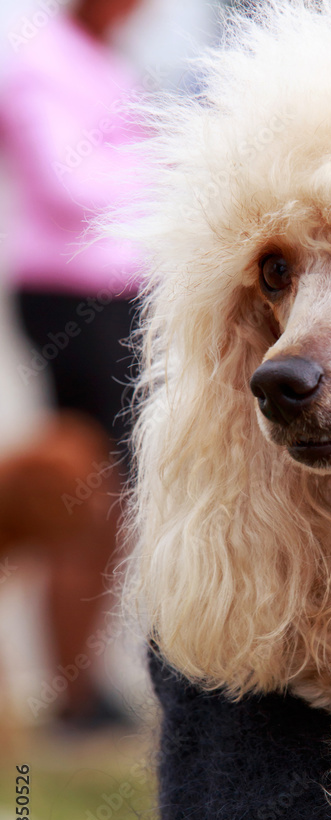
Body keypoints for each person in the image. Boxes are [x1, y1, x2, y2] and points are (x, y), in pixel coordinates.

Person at [0, 0, 146, 726]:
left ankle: (83, 686)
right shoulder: (40, 61)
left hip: (114, 297)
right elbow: (69, 184)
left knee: (106, 498)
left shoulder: (100, 63)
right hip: (73, 298)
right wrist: (172, 179)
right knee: (79, 494)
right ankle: (70, 695)